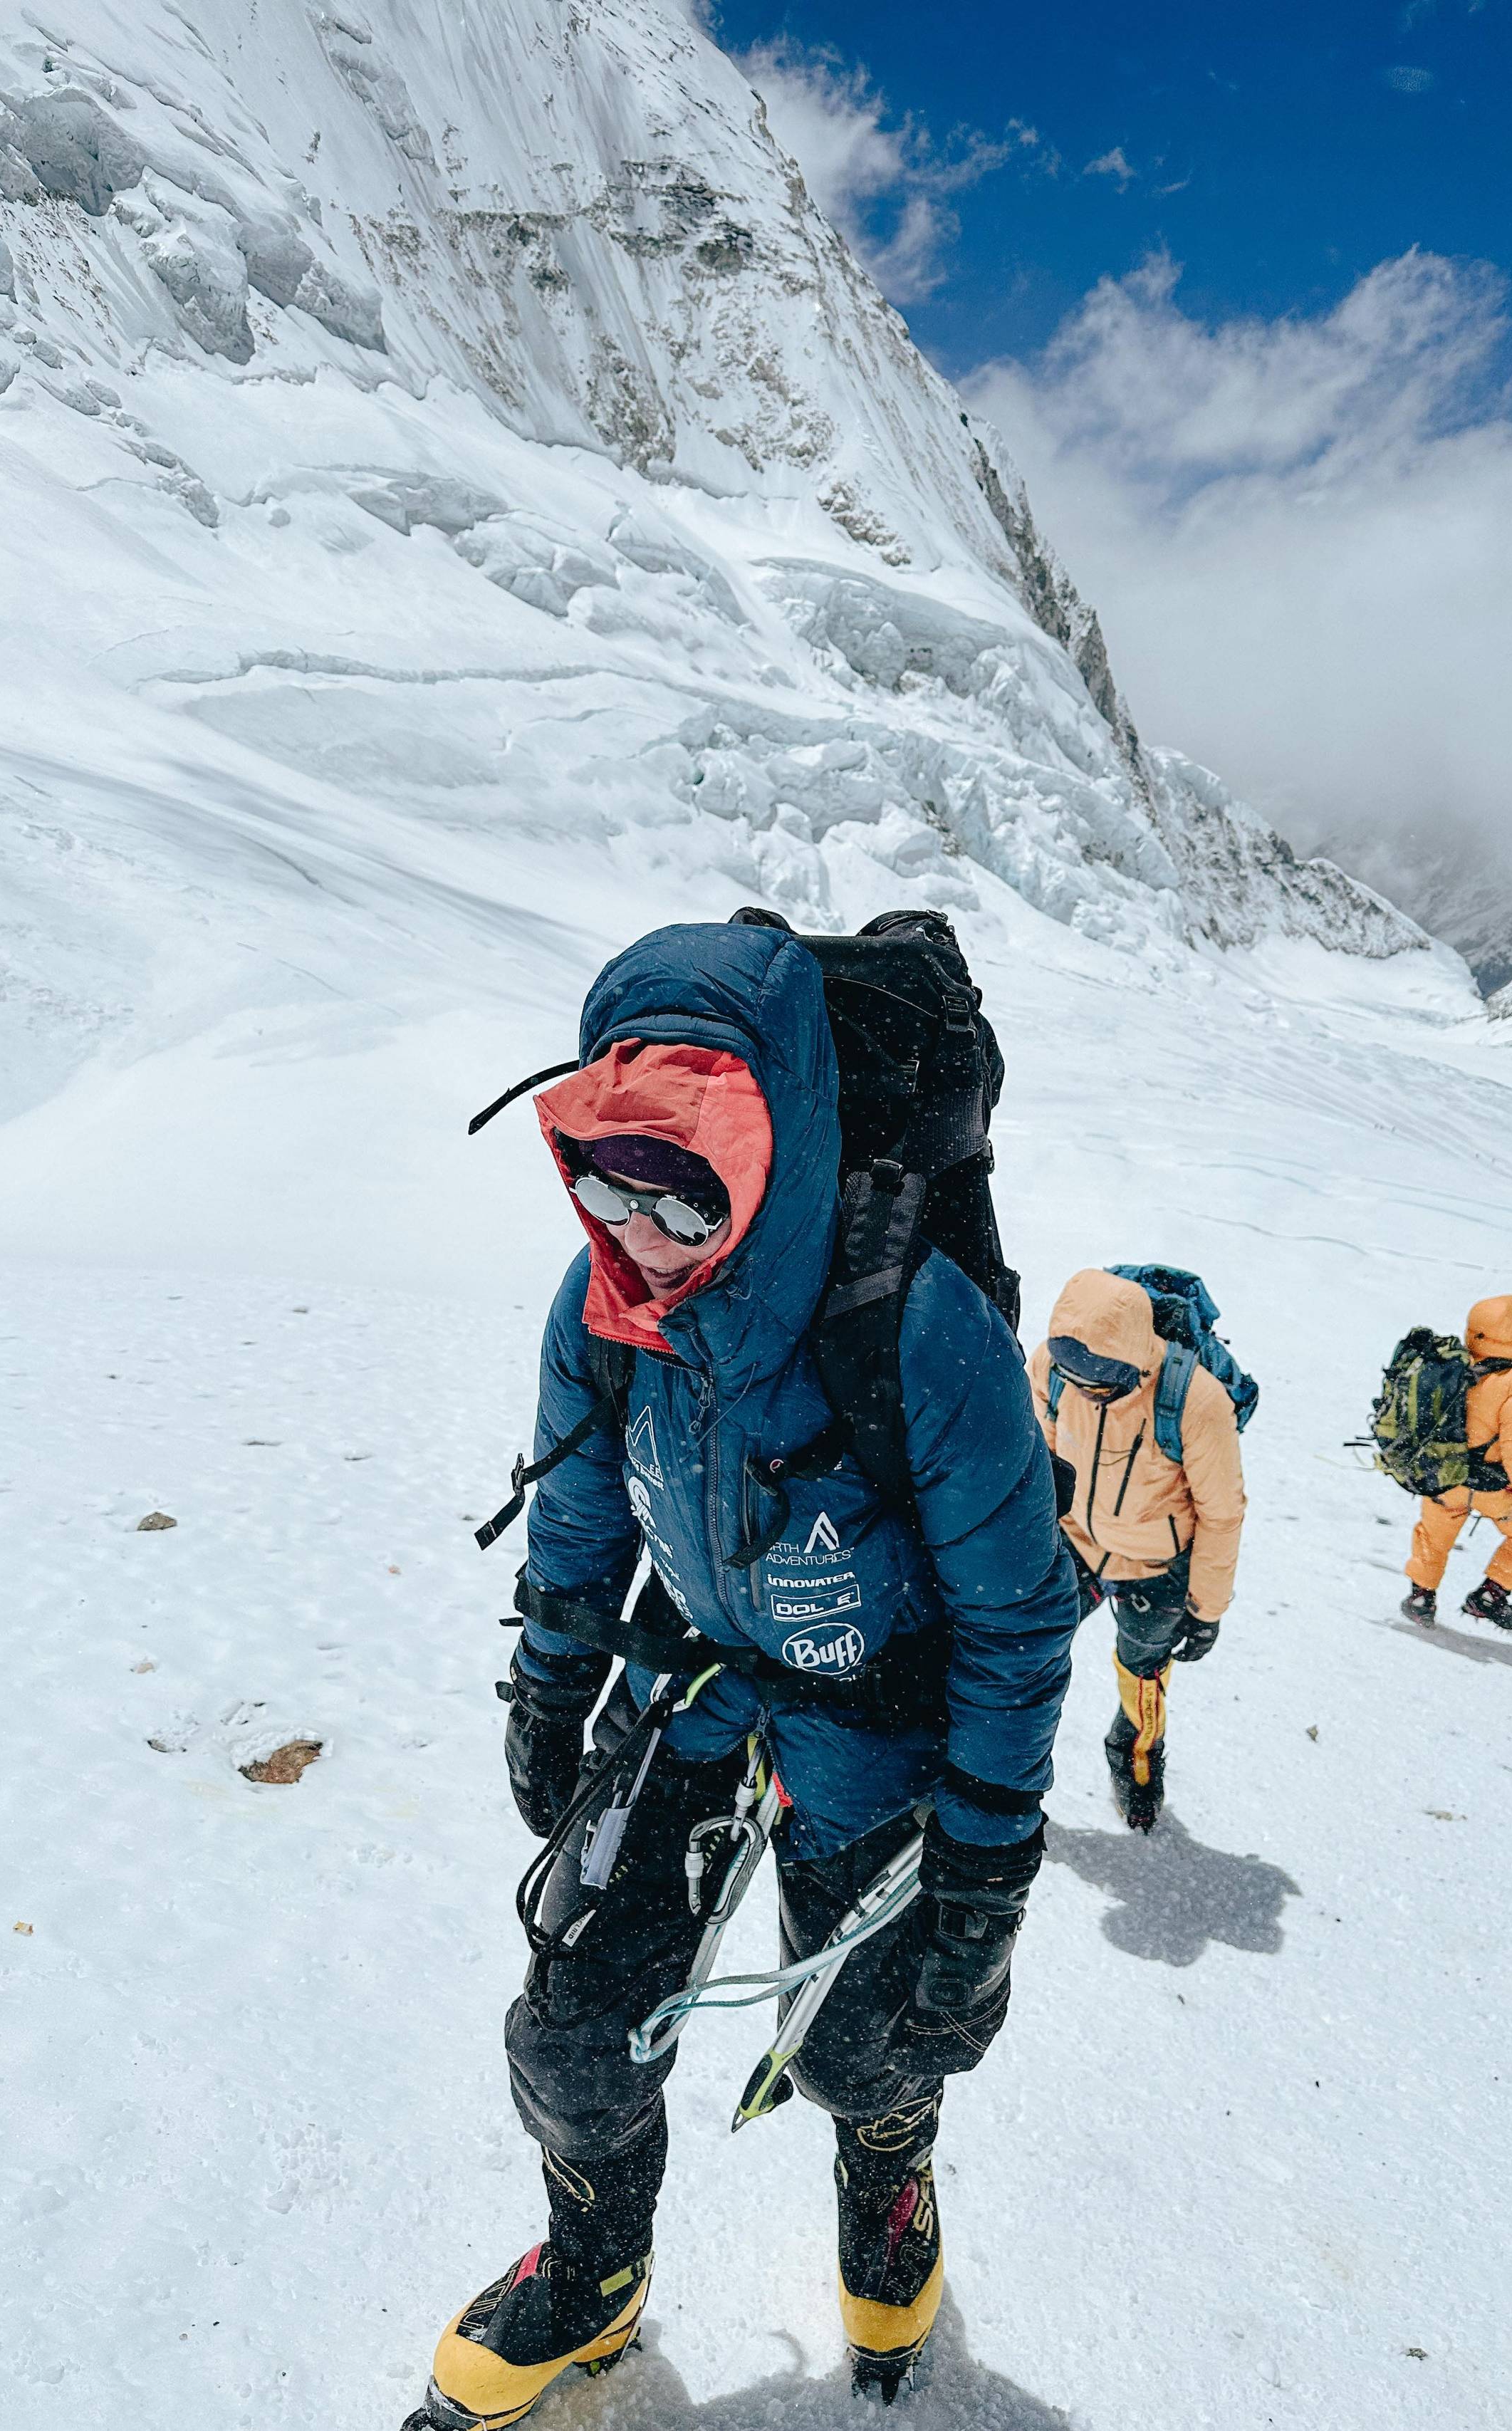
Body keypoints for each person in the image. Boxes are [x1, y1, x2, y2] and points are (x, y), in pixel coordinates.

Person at [405, 922, 1078, 2431]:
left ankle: (885, 2166)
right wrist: (552, 1670)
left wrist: (981, 1882)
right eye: (597, 1177)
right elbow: (581, 1507)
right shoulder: (601, 1308)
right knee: (570, 2032)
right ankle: (591, 2274)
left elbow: (1020, 1619)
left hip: (880, 1724)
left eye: (677, 1188)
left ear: (768, 1151)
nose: (630, 1228)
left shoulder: (914, 1326)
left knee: (861, 2051)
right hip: (697, 1690)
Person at [1028, 1269, 1246, 1835]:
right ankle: (1000, 1767)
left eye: (1100, 1381)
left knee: (1143, 1675)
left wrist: (1207, 1607)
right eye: (1073, 1375)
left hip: (1158, 1567)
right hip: (1076, 1544)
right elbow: (1040, 1463)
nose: (1083, 1389)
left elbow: (1222, 1513)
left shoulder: (1195, 1399)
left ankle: (1137, 1764)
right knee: (1018, 1655)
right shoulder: (1051, 1367)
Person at [1399, 1294, 1512, 1632]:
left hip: (1443, 1479)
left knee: (1432, 1538)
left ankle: (1421, 1598)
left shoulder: (1449, 1369)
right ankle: (1490, 1595)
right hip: (1492, 1487)